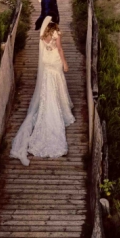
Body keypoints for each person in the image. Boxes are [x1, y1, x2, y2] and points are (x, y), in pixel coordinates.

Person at [10, 19, 74, 166]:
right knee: (58, 81)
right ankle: (60, 107)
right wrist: (64, 62)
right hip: (55, 62)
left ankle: (50, 101)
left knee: (48, 84)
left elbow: (46, 49)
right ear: (55, 25)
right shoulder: (56, 33)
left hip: (46, 62)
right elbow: (59, 48)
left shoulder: (43, 35)